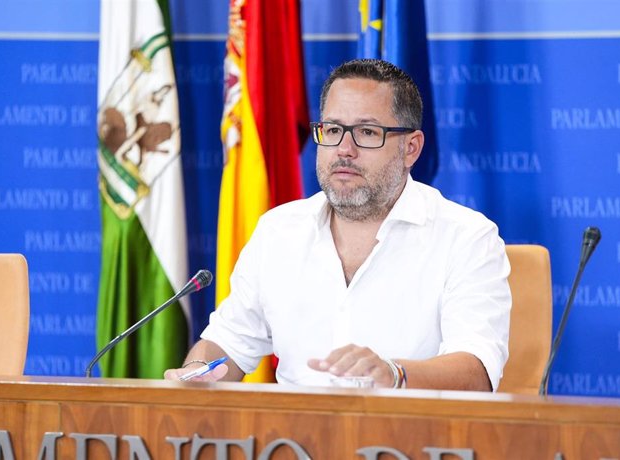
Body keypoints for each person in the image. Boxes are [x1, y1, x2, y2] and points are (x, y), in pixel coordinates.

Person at [164, 59, 511, 391]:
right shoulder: (279, 231)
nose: (344, 149)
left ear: (411, 148)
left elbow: (476, 370)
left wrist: (395, 375)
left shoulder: (466, 237)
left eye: (367, 132)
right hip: (294, 444)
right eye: (332, 130)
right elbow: (226, 343)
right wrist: (198, 373)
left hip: (410, 443)